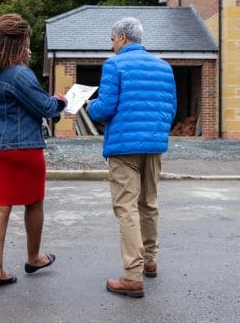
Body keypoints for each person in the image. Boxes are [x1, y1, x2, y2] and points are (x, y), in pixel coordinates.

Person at [87, 17, 176, 298]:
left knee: (126, 207)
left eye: (112, 39)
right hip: (154, 146)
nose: (112, 44)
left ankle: (132, 275)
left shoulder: (114, 65)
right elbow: (171, 109)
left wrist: (88, 106)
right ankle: (149, 261)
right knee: (149, 203)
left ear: (123, 38)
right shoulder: (164, 67)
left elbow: (105, 108)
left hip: (123, 147)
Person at [0, 13, 67, 289]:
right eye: (27, 44)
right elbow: (47, 108)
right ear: (17, 45)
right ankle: (33, 257)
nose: (29, 50)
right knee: (34, 202)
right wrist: (61, 101)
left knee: (0, 208)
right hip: (24, 148)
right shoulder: (20, 74)